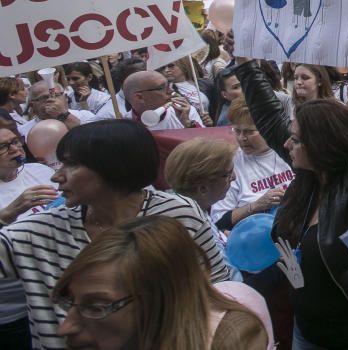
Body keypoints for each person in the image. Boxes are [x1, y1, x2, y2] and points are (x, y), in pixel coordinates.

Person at [233, 41, 348, 349]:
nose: (286, 145)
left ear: (322, 145)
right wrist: (245, 64)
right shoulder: (306, 177)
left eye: (296, 140)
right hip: (307, 333)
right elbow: (270, 119)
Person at [0, 120, 229, 349]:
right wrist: (5, 216)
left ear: (113, 166)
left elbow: (217, 286)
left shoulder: (179, 213)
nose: (56, 176)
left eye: (70, 164)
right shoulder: (35, 234)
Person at [53, 216, 272, 349]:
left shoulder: (231, 334)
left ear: (163, 301)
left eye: (96, 307)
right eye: (69, 301)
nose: (65, 328)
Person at [0, 121, 57, 349]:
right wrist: (9, 213)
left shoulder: (40, 171)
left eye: (15, 141)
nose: (15, 148)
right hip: (14, 311)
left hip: (53, 292)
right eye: (3, 147)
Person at [164, 137, 244, 279]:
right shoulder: (187, 223)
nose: (234, 177)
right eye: (227, 174)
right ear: (202, 189)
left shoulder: (189, 208)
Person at [210, 96, 293, 230]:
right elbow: (219, 221)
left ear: (267, 128)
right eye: (237, 131)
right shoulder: (230, 164)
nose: (242, 138)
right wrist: (256, 205)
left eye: (249, 132)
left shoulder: (289, 151)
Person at [122, 70, 203, 130]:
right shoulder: (123, 126)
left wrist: (188, 124)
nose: (170, 91)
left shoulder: (185, 112)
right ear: (139, 97)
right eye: (162, 88)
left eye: (168, 85)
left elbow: (205, 147)